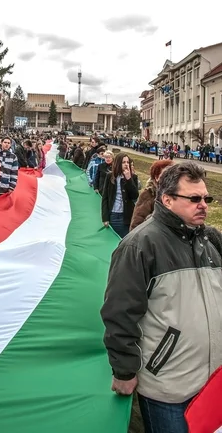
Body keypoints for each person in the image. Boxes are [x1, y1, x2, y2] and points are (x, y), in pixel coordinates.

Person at [101, 162, 222, 433]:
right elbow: (120, 314)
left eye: (206, 198)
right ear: (167, 199)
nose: (203, 204)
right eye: (194, 198)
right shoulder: (139, 245)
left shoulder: (211, 241)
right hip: (167, 389)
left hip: (213, 383)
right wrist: (124, 371)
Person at [101, 153, 139, 238]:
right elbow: (105, 197)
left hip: (126, 216)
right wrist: (105, 217)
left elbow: (135, 196)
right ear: (118, 163)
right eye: (123, 162)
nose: (126, 164)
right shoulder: (110, 176)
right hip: (113, 214)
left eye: (127, 162)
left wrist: (129, 179)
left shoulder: (133, 177)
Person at [129, 159, 173, 231]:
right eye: (165, 174)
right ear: (156, 177)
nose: (169, 178)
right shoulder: (149, 195)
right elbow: (136, 223)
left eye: (171, 174)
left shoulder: (177, 195)